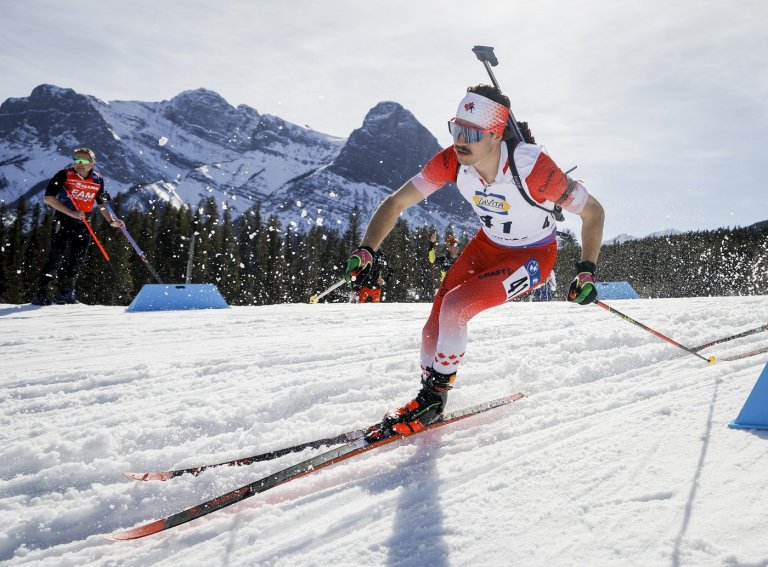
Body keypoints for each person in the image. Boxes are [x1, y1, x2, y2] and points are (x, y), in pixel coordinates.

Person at [344, 84, 605, 437]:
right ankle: (428, 393)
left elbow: (593, 212)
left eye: (471, 133)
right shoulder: (452, 161)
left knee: (456, 307)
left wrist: (586, 271)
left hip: (533, 257)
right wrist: (367, 250)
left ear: (497, 136)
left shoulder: (534, 168)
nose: (460, 140)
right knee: (432, 329)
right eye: (456, 129)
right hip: (486, 246)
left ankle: (434, 399)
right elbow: (396, 203)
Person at [30, 147, 124, 305]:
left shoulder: (98, 179)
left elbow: (101, 204)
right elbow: (48, 198)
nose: (79, 164)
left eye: (84, 161)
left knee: (77, 258)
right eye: (76, 160)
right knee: (56, 256)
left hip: (84, 222)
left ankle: (65, 293)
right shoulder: (64, 175)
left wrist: (111, 221)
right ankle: (41, 293)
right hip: (64, 219)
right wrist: (70, 212)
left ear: (93, 163)